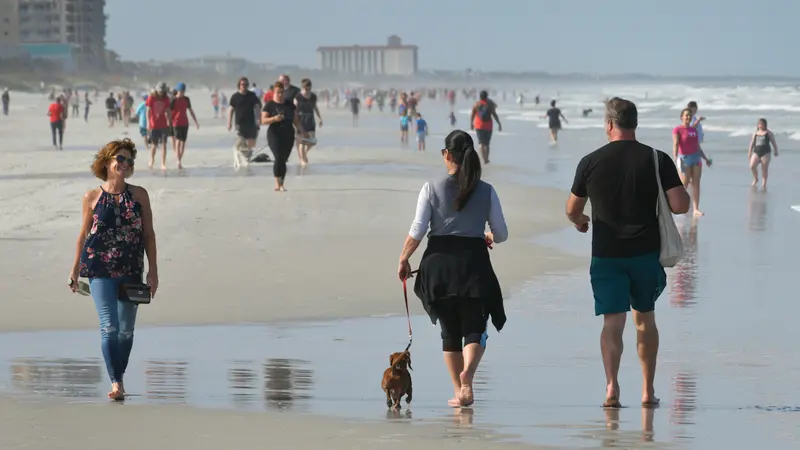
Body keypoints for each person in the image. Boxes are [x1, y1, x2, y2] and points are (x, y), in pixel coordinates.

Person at [566, 97, 690, 409]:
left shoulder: (590, 161)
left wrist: (581, 222)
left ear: (609, 124)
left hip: (606, 254)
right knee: (645, 320)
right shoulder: (656, 158)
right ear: (634, 123)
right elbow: (680, 206)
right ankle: (647, 392)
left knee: (612, 322)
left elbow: (572, 209)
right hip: (644, 254)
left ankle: (611, 388)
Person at [397, 129, 508, 408]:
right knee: (475, 326)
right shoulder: (487, 190)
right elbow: (501, 232)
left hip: (438, 266)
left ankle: (460, 391)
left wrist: (404, 258)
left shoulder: (430, 188)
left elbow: (418, 231)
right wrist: (488, 236)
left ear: (447, 155)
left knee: (449, 331)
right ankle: (468, 376)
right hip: (473, 263)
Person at [68, 138, 159, 401]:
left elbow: (149, 235)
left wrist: (153, 271)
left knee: (126, 330)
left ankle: (119, 375)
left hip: (131, 269)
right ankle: (116, 382)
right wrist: (74, 270)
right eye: (120, 158)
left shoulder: (140, 195)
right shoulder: (92, 197)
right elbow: (84, 235)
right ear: (107, 161)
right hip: (99, 268)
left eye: (129, 160)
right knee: (109, 327)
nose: (125, 163)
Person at [261, 82, 305, 192]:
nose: (280, 95)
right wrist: (274, 119)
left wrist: (302, 131)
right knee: (278, 157)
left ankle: (282, 184)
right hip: (274, 134)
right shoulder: (269, 105)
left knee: (283, 160)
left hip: (288, 134)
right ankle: (277, 183)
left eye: (282, 92)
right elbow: (263, 120)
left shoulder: (290, 104)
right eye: (278, 93)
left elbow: (296, 120)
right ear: (273, 93)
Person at [673, 108, 712, 216]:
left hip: (696, 158)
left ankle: (695, 209)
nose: (688, 117)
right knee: (684, 183)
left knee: (696, 184)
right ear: (681, 117)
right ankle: (675, 204)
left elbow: (697, 146)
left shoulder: (693, 130)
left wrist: (706, 159)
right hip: (684, 159)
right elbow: (676, 144)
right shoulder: (677, 129)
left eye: (690, 115)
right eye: (686, 115)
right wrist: (675, 158)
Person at [228, 76, 262, 156]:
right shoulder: (235, 96)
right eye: (243, 84)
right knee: (241, 141)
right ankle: (239, 153)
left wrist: (258, 119)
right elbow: (231, 110)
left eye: (246, 84)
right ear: (239, 85)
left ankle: (247, 158)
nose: (244, 86)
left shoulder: (252, 95)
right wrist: (229, 122)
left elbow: (257, 107)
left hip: (251, 122)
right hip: (239, 123)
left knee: (251, 142)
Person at [170, 82, 199, 170]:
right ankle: (178, 161)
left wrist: (196, 121)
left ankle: (179, 159)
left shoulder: (186, 99)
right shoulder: (173, 100)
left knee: (183, 143)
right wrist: (168, 122)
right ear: (178, 91)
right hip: (176, 123)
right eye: (181, 91)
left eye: (183, 91)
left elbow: (190, 111)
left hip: (185, 123)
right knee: (178, 141)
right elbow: (169, 112)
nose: (182, 93)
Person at [294, 78, 322, 166]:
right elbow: (293, 108)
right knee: (302, 140)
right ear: (302, 88)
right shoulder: (298, 96)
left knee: (312, 141)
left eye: (309, 89)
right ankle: (303, 161)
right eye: (306, 89)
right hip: (301, 119)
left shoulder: (313, 96)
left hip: (310, 118)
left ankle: (304, 153)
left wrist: (320, 118)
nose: (307, 91)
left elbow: (315, 107)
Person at [470, 90, 502, 164]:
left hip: (478, 125)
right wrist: (499, 123)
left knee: (481, 143)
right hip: (488, 126)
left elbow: (472, 115)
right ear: (487, 96)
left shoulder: (476, 104)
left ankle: (484, 159)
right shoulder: (490, 104)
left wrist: (471, 124)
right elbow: (494, 114)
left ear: (480, 96)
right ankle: (486, 159)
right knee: (487, 144)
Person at [146, 83, 172, 171]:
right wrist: (148, 123)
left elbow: (168, 111)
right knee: (154, 144)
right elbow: (148, 111)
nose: (161, 93)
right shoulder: (151, 97)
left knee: (164, 144)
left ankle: (163, 163)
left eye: (163, 91)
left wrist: (170, 122)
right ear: (157, 90)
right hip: (154, 125)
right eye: (160, 91)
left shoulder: (166, 98)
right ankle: (152, 160)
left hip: (164, 125)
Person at [748, 118, 779, 190]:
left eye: (762, 124)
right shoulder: (755, 133)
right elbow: (752, 144)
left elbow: (773, 142)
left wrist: (775, 150)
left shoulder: (768, 133)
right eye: (759, 124)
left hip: (766, 153)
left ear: (765, 125)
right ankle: (756, 179)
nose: (760, 125)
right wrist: (749, 152)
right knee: (752, 165)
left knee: (764, 168)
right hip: (756, 152)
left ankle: (764, 183)